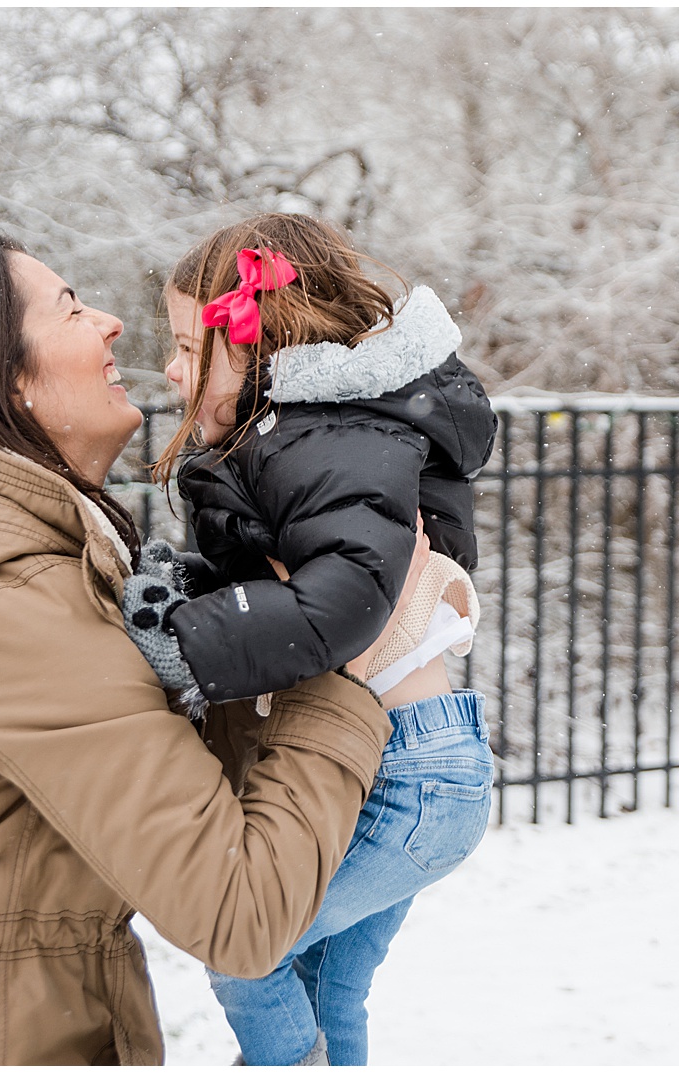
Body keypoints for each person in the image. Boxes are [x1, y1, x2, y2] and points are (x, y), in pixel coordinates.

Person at [0, 231, 428, 1065]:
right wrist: (340, 668)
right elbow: (242, 911)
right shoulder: (6, 614)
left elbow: (186, 804)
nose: (114, 322)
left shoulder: (2, 574)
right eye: (71, 308)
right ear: (7, 380)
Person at [120, 213, 498, 1065]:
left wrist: (187, 638)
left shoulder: (330, 437)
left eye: (189, 346)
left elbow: (344, 598)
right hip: (414, 764)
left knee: (243, 948)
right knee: (329, 985)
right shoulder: (321, 433)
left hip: (405, 775)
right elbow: (299, 574)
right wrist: (200, 586)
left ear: (262, 338)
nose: (171, 370)